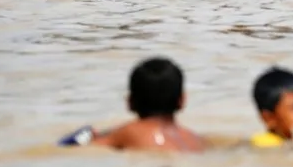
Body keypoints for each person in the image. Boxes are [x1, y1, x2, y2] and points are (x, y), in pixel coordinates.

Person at [59, 57, 204, 152]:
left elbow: (68, 147)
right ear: (182, 100)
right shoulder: (196, 140)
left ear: (130, 102)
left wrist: (87, 135)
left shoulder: (126, 133)